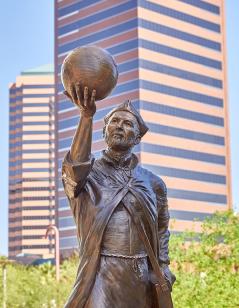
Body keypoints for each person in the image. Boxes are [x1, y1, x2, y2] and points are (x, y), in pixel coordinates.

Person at [62, 83, 175, 308]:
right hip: (100, 272)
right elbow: (74, 167)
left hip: (141, 275)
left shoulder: (154, 183)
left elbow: (162, 227)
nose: (119, 126)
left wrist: (163, 264)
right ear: (104, 132)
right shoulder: (89, 174)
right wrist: (86, 116)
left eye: (127, 123)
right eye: (114, 121)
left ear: (137, 138)